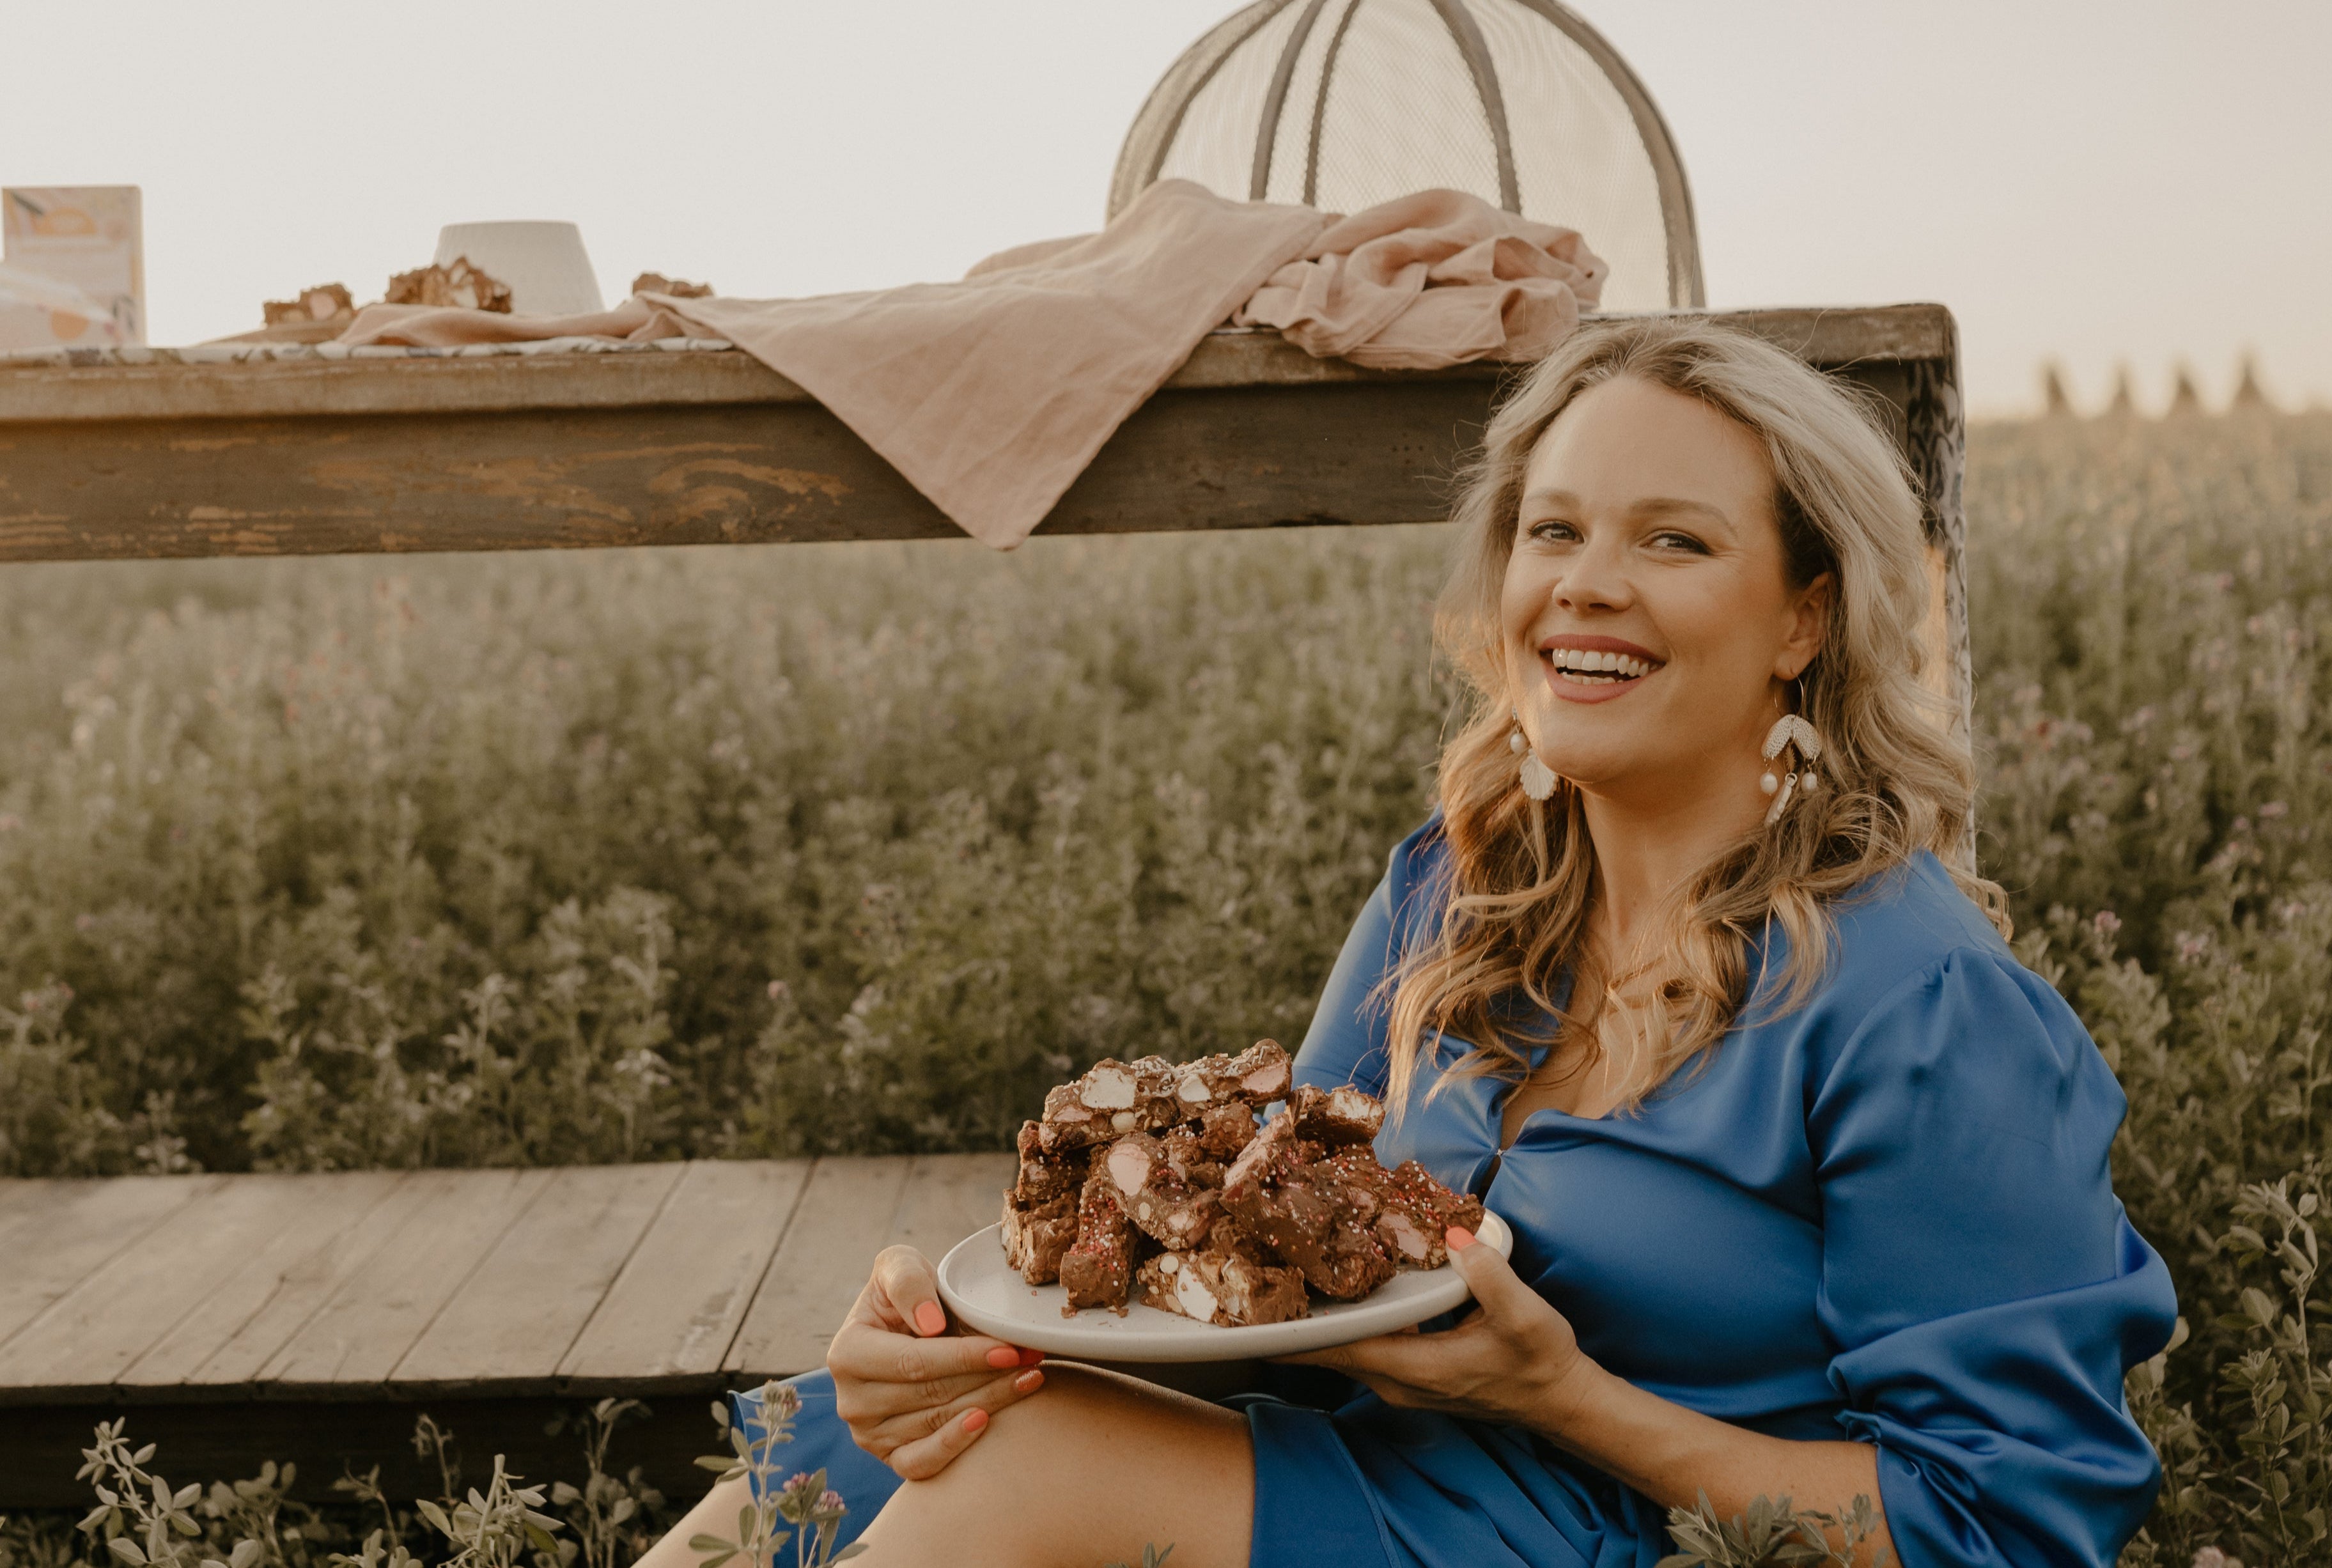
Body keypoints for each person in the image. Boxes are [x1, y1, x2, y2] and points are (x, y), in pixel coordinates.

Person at [635, 318, 2177, 1568]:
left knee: (1033, 1467)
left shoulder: (1922, 1003)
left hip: (1637, 1532)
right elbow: (1267, 1264)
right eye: (1554, 528)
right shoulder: (1459, 889)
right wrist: (957, 1334)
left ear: (1804, 622)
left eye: (1675, 542)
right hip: (1377, 1457)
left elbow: (2006, 1531)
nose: (1585, 581)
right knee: (851, 1428)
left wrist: (1563, 1395)